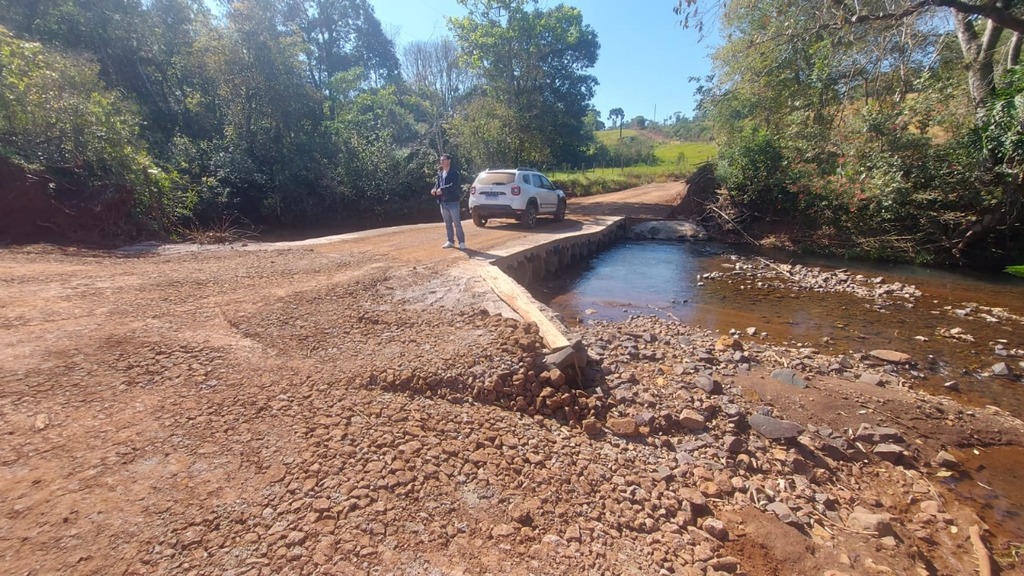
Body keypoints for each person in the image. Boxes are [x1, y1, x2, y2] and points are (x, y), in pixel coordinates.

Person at [431, 153, 466, 250]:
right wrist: (434, 190)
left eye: (444, 160)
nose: (442, 162)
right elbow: (437, 185)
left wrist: (442, 189)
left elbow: (454, 185)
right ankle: (450, 241)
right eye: (441, 160)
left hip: (453, 202)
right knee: (447, 224)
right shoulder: (440, 174)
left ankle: (462, 242)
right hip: (443, 202)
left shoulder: (454, 173)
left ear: (449, 161)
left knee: (457, 223)